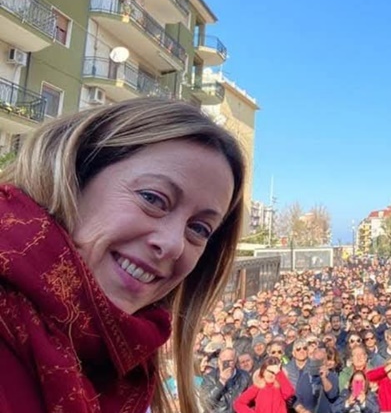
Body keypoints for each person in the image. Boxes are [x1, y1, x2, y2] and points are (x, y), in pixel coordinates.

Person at [0, 97, 245, 413]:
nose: (174, 245)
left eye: (199, 228)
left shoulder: (125, 364)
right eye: (153, 198)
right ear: (78, 174)